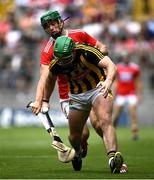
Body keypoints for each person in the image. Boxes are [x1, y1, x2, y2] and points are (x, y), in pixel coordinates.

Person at [41, 35, 127, 173]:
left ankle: (112, 158)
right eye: (60, 59)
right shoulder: (57, 63)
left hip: (98, 88)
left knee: (105, 120)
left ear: (73, 51)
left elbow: (111, 65)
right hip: (77, 96)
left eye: (67, 58)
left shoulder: (87, 51)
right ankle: (78, 152)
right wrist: (45, 100)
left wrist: (108, 81)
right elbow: (50, 80)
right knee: (75, 136)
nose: (64, 62)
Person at [32, 10, 108, 158]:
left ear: (61, 22)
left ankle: (114, 157)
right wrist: (39, 100)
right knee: (83, 134)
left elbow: (102, 47)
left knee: (99, 125)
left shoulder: (80, 34)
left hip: (91, 87)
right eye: (46, 26)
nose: (51, 28)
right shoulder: (48, 51)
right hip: (69, 95)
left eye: (53, 23)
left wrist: (96, 57)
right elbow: (44, 78)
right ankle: (80, 150)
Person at [113, 51, 142, 140]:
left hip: (131, 94)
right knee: (116, 115)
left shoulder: (135, 68)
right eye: (124, 57)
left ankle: (135, 133)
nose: (126, 58)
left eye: (127, 57)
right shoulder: (118, 67)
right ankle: (112, 132)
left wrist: (139, 94)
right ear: (122, 58)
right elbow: (116, 82)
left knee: (133, 114)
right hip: (121, 94)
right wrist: (114, 93)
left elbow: (138, 82)